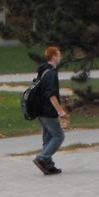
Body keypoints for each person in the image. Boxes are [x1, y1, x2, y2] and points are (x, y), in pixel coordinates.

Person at [31, 45, 69, 175]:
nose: (60, 57)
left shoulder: (42, 71)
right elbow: (51, 94)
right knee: (58, 136)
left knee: (48, 137)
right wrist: (60, 110)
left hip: (40, 110)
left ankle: (48, 165)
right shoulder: (51, 73)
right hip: (48, 111)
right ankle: (42, 158)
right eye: (58, 55)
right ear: (54, 57)